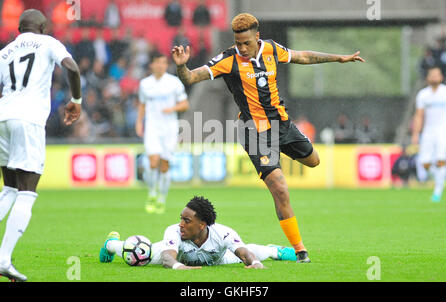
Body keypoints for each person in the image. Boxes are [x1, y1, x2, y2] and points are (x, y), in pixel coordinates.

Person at [172, 13, 364, 263]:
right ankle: (300, 249)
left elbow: (302, 56)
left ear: (257, 37)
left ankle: (279, 152)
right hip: (254, 132)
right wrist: (181, 66)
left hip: (282, 124)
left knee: (314, 161)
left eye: (247, 43)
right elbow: (191, 77)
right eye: (238, 43)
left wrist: (338, 58)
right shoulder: (228, 60)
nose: (242, 48)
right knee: (280, 188)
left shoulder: (272, 49)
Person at [0, 9, 81, 281]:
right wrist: (76, 102)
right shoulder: (48, 43)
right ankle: (3, 259)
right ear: (43, 28)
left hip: (3, 117)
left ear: (19, 28)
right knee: (27, 191)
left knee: (9, 187)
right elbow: (72, 67)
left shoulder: (5, 51)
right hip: (28, 119)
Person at [99, 196, 297, 269]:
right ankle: (110, 244)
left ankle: (275, 251)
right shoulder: (174, 232)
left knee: (251, 252)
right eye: (181, 218)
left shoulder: (223, 234)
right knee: (138, 254)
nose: (181, 224)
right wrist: (178, 267)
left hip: (216, 259)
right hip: (179, 257)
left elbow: (243, 253)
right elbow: (168, 258)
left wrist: (254, 263)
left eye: (187, 220)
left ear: (202, 225)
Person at [135, 53, 189, 214]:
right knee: (153, 162)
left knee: (164, 165)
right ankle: (152, 193)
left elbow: (185, 104)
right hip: (152, 127)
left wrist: (172, 109)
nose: (160, 65)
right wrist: (139, 122)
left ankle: (161, 199)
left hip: (169, 128)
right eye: (157, 62)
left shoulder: (174, 82)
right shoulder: (145, 84)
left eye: (163, 63)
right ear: (151, 65)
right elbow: (142, 105)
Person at [411, 66, 446, 202]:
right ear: (428, 78)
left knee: (440, 160)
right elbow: (419, 116)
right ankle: (440, 178)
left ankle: (437, 192)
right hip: (428, 131)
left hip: (443, 130)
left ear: (441, 77)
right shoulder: (423, 94)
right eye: (431, 75)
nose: (434, 77)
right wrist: (415, 134)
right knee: (425, 163)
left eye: (436, 75)